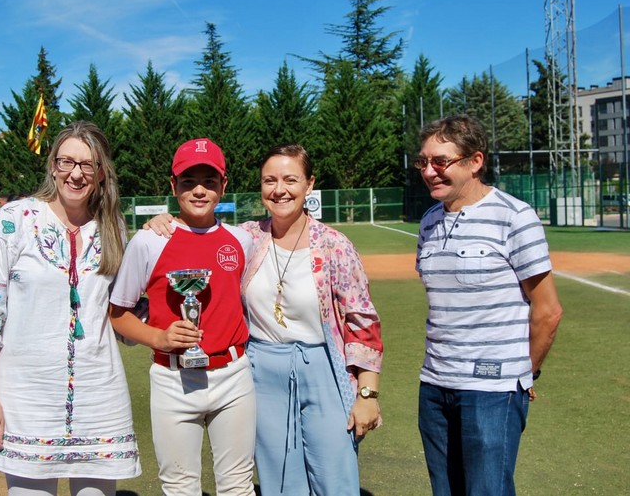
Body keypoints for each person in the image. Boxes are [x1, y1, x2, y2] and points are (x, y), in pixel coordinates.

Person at [147, 144, 383, 495]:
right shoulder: (247, 238)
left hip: (321, 368)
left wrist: (367, 393)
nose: (279, 189)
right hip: (261, 371)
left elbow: (362, 321)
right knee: (280, 479)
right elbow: (201, 235)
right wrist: (164, 221)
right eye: (269, 180)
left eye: (290, 179)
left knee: (335, 475)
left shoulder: (335, 245)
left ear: (309, 184)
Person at [0, 121, 140, 495]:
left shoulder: (115, 227)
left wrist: (160, 235)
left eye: (87, 164)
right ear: (53, 166)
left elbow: (128, 311)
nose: (76, 174)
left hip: (100, 398)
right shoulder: (12, 221)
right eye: (66, 162)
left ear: (102, 171)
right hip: (26, 399)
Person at [413, 115, 563, 496]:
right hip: (434, 385)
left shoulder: (515, 216)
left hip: (492, 390)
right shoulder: (429, 221)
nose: (429, 171)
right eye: (423, 161)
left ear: (474, 161)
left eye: (441, 161)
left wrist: (523, 374)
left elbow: (547, 310)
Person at [109, 138, 256, 496]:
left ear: (223, 185)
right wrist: (158, 337)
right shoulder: (149, 241)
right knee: (179, 487)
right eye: (188, 181)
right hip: (172, 378)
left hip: (234, 375)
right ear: (173, 186)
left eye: (209, 180)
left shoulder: (242, 240)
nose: (200, 190)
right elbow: (118, 314)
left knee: (238, 485)